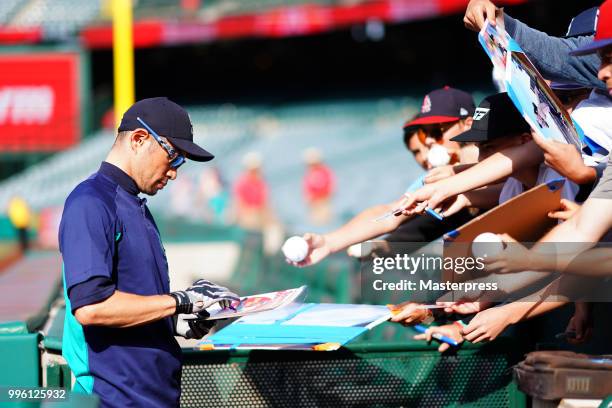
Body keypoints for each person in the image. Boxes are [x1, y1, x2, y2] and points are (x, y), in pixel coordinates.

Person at [59, 97, 240, 407]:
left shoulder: (135, 205)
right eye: (174, 157)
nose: (174, 172)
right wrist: (178, 301)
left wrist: (180, 321)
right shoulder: (91, 201)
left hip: (153, 394)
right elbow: (91, 307)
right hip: (112, 398)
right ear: (140, 139)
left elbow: (135, 300)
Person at [302, 147, 335, 225]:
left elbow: (330, 184)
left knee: (326, 218)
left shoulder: (324, 171)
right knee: (316, 220)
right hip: (314, 202)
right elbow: (307, 187)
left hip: (324, 199)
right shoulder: (309, 174)